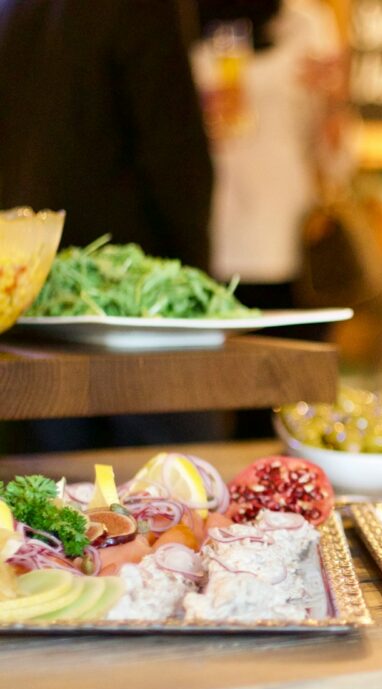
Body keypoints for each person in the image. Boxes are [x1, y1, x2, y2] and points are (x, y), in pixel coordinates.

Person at [0, 0, 220, 452]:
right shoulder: (141, 8)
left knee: (44, 478)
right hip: (133, 307)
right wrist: (196, 284)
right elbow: (175, 154)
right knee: (168, 480)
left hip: (28, 294)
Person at [191, 0, 352, 438]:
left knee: (293, 409)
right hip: (210, 244)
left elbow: (338, 159)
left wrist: (335, 101)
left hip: (289, 246)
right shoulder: (179, 18)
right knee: (211, 409)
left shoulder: (306, 25)